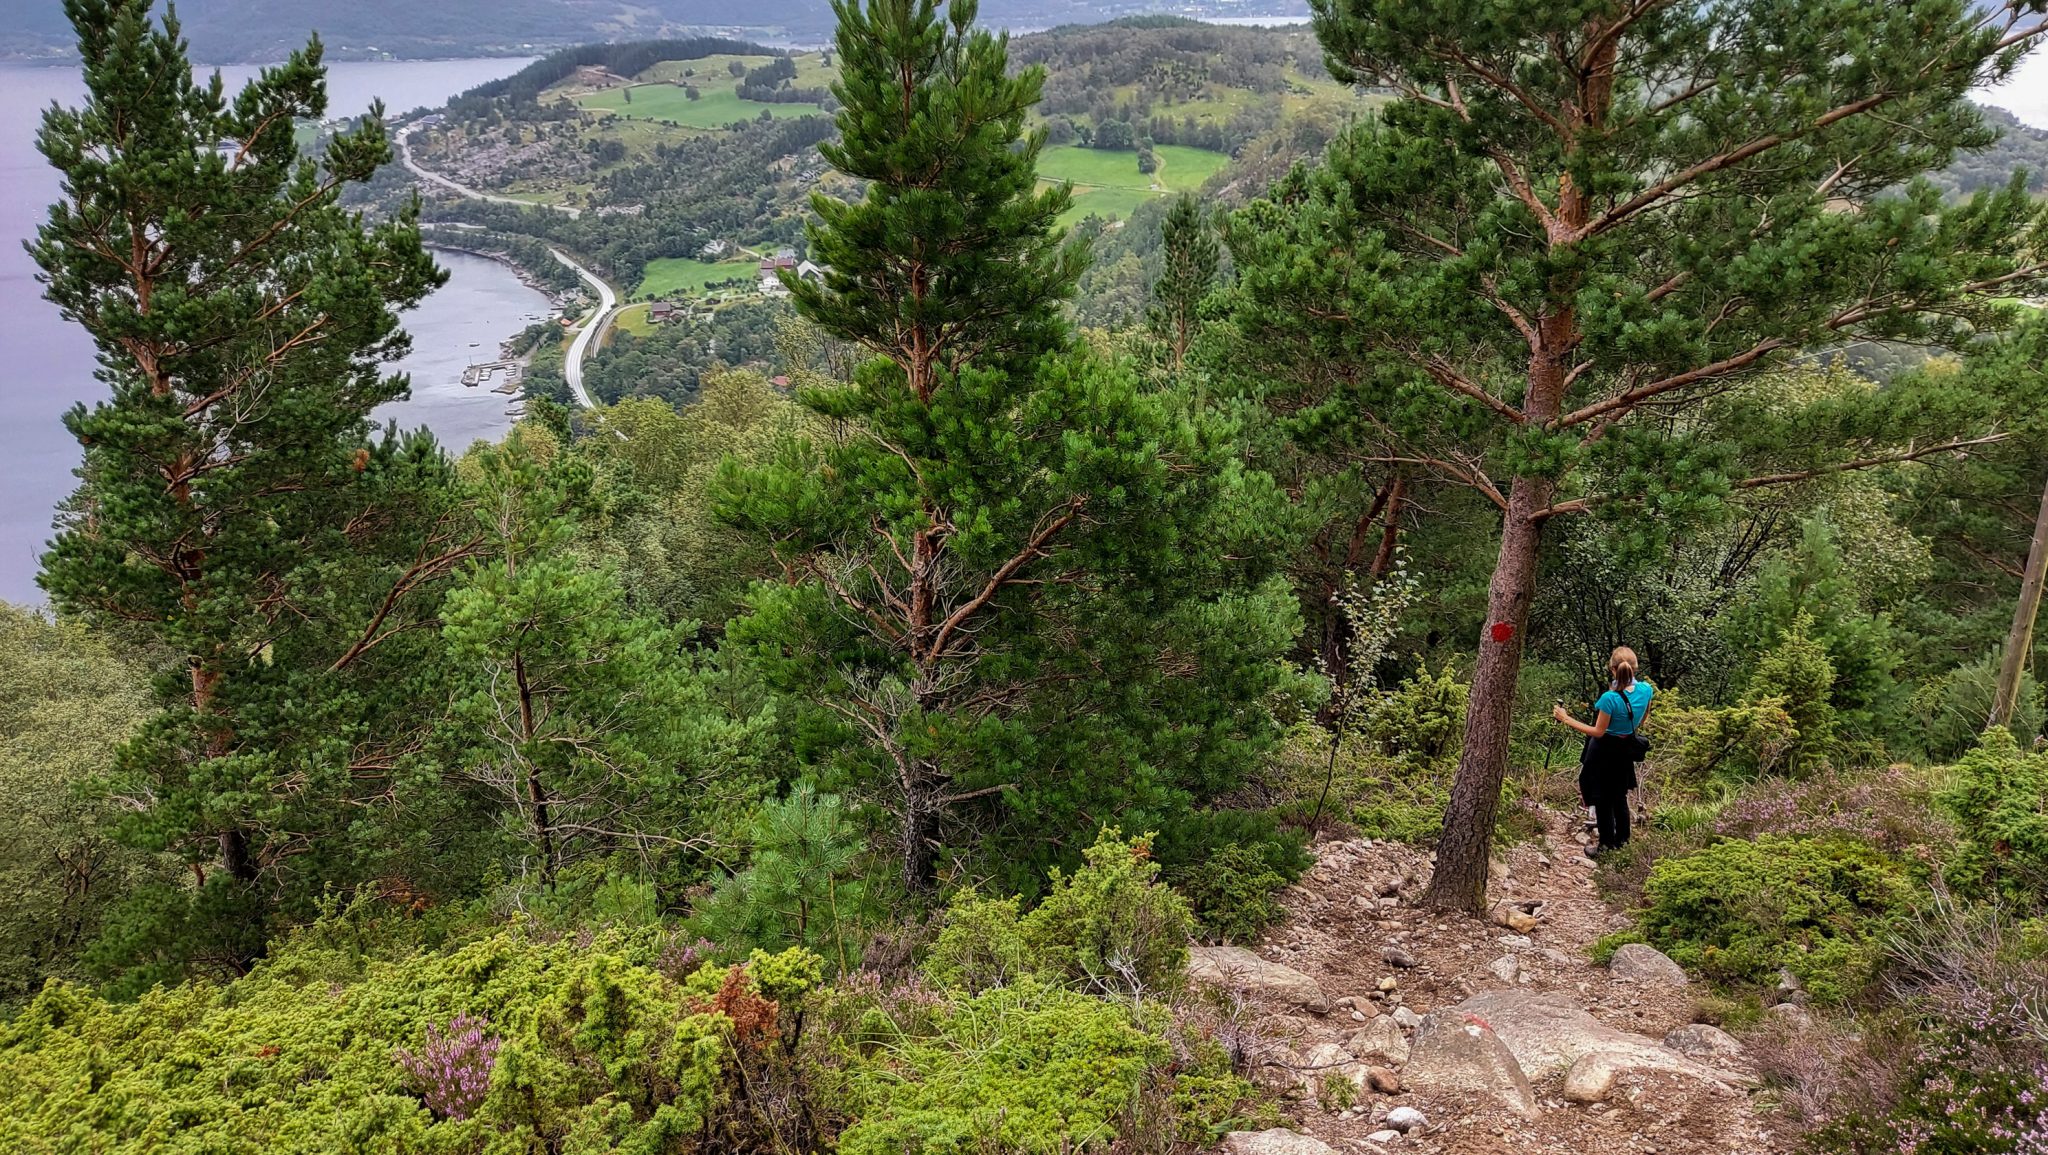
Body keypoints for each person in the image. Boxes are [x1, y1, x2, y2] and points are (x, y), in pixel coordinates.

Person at [1552, 646, 1654, 858]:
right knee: (1619, 796)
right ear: (1635, 668)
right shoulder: (1646, 690)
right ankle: (1623, 842)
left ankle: (1606, 845)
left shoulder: (1609, 698)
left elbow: (1598, 732)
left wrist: (1566, 719)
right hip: (1625, 748)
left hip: (1604, 749)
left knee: (1602, 797)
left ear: (1612, 669)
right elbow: (1643, 720)